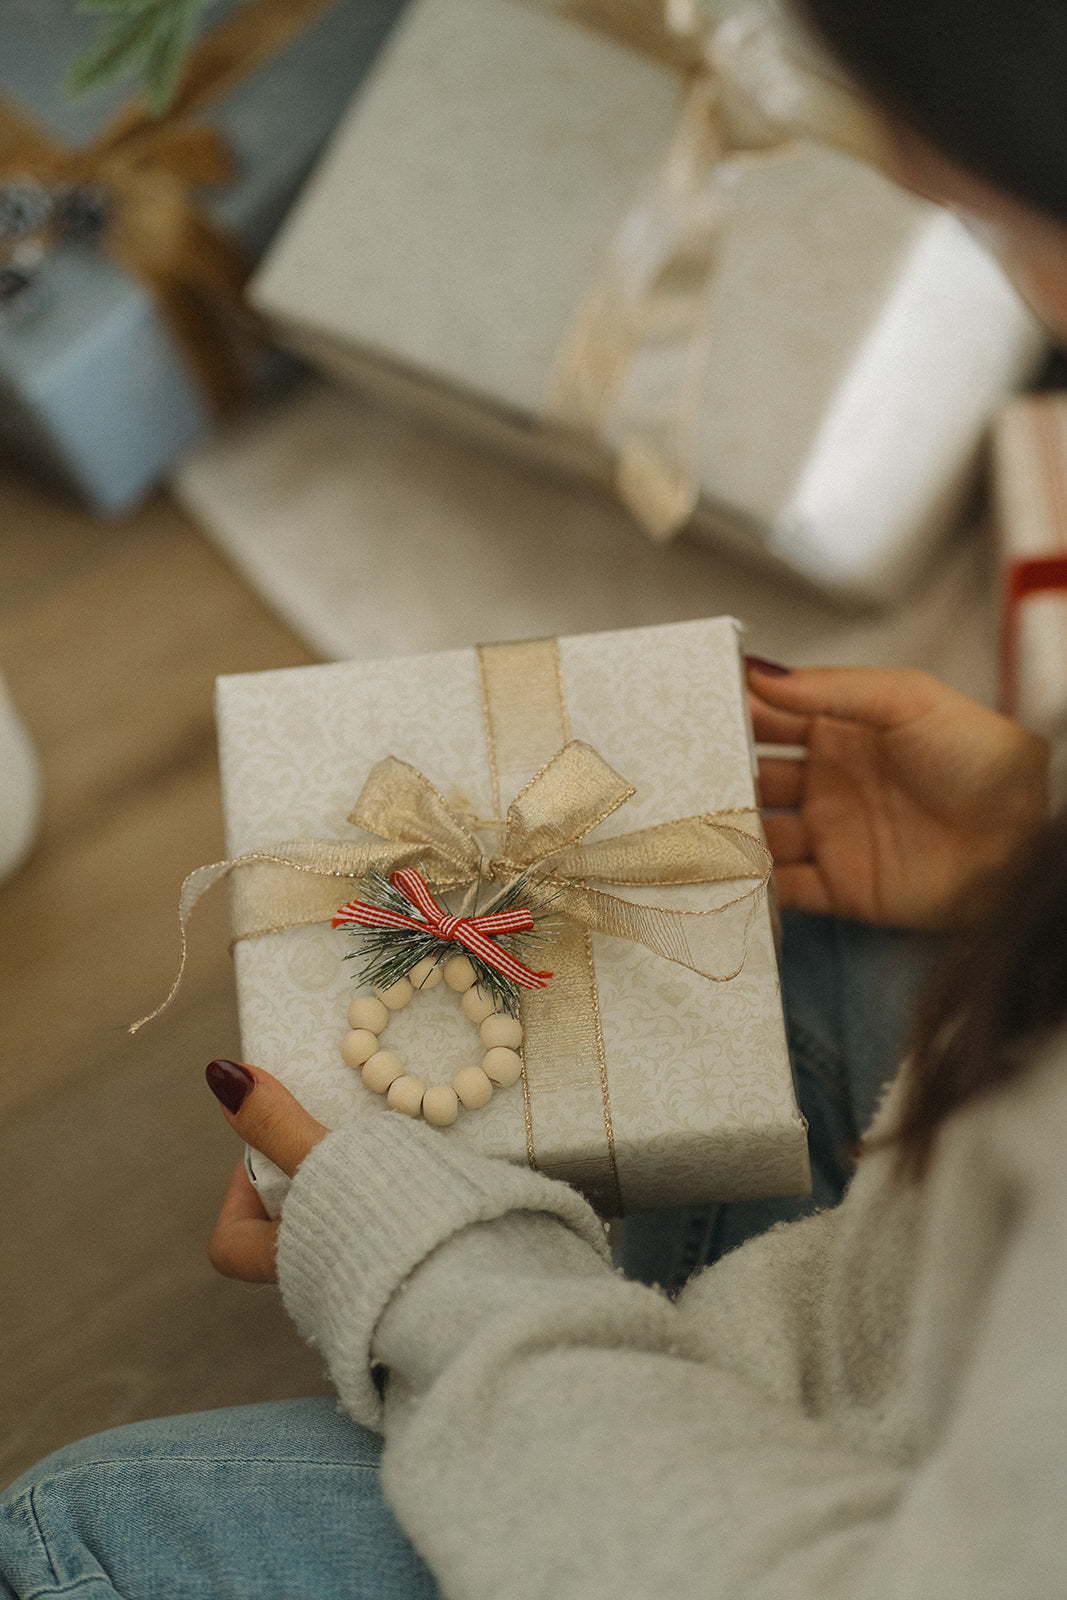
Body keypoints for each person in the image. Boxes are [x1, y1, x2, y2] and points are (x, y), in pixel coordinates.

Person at [3, 2, 1067, 1596]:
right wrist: (1024, 863)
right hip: (938, 1316)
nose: (908, 179)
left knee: (67, 1532)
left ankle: (606, 1287)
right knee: (758, 930)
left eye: (988, 204)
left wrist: (448, 1277)